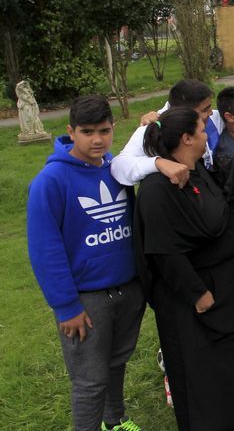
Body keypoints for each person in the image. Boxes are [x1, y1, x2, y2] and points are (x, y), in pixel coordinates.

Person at [132, 107, 234, 430]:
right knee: (204, 364)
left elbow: (219, 199)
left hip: (228, 279)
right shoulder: (157, 189)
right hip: (198, 289)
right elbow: (163, 250)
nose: (206, 136)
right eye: (201, 130)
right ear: (186, 138)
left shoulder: (194, 171)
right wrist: (197, 293)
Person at [27, 95, 145, 431]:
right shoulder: (50, 182)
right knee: (89, 380)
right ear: (70, 131)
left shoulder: (116, 170)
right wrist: (66, 307)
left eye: (104, 131)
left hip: (127, 289)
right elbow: (45, 251)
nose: (97, 139)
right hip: (86, 300)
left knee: (117, 361)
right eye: (87, 131)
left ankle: (115, 420)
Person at [111, 78, 234, 188]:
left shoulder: (211, 119)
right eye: (204, 109)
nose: (211, 114)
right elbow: (119, 166)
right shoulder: (153, 127)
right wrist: (158, 163)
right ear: (183, 112)